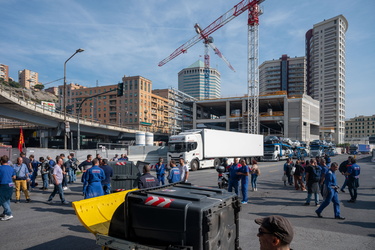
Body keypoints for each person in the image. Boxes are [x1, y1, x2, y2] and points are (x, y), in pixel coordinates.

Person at [0, 155, 16, 221]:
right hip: (10, 184)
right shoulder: (11, 168)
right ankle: (5, 213)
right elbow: (14, 177)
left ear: (1, 161)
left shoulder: (0, 168)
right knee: (7, 198)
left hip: (3, 184)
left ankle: (9, 213)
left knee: (2, 199)